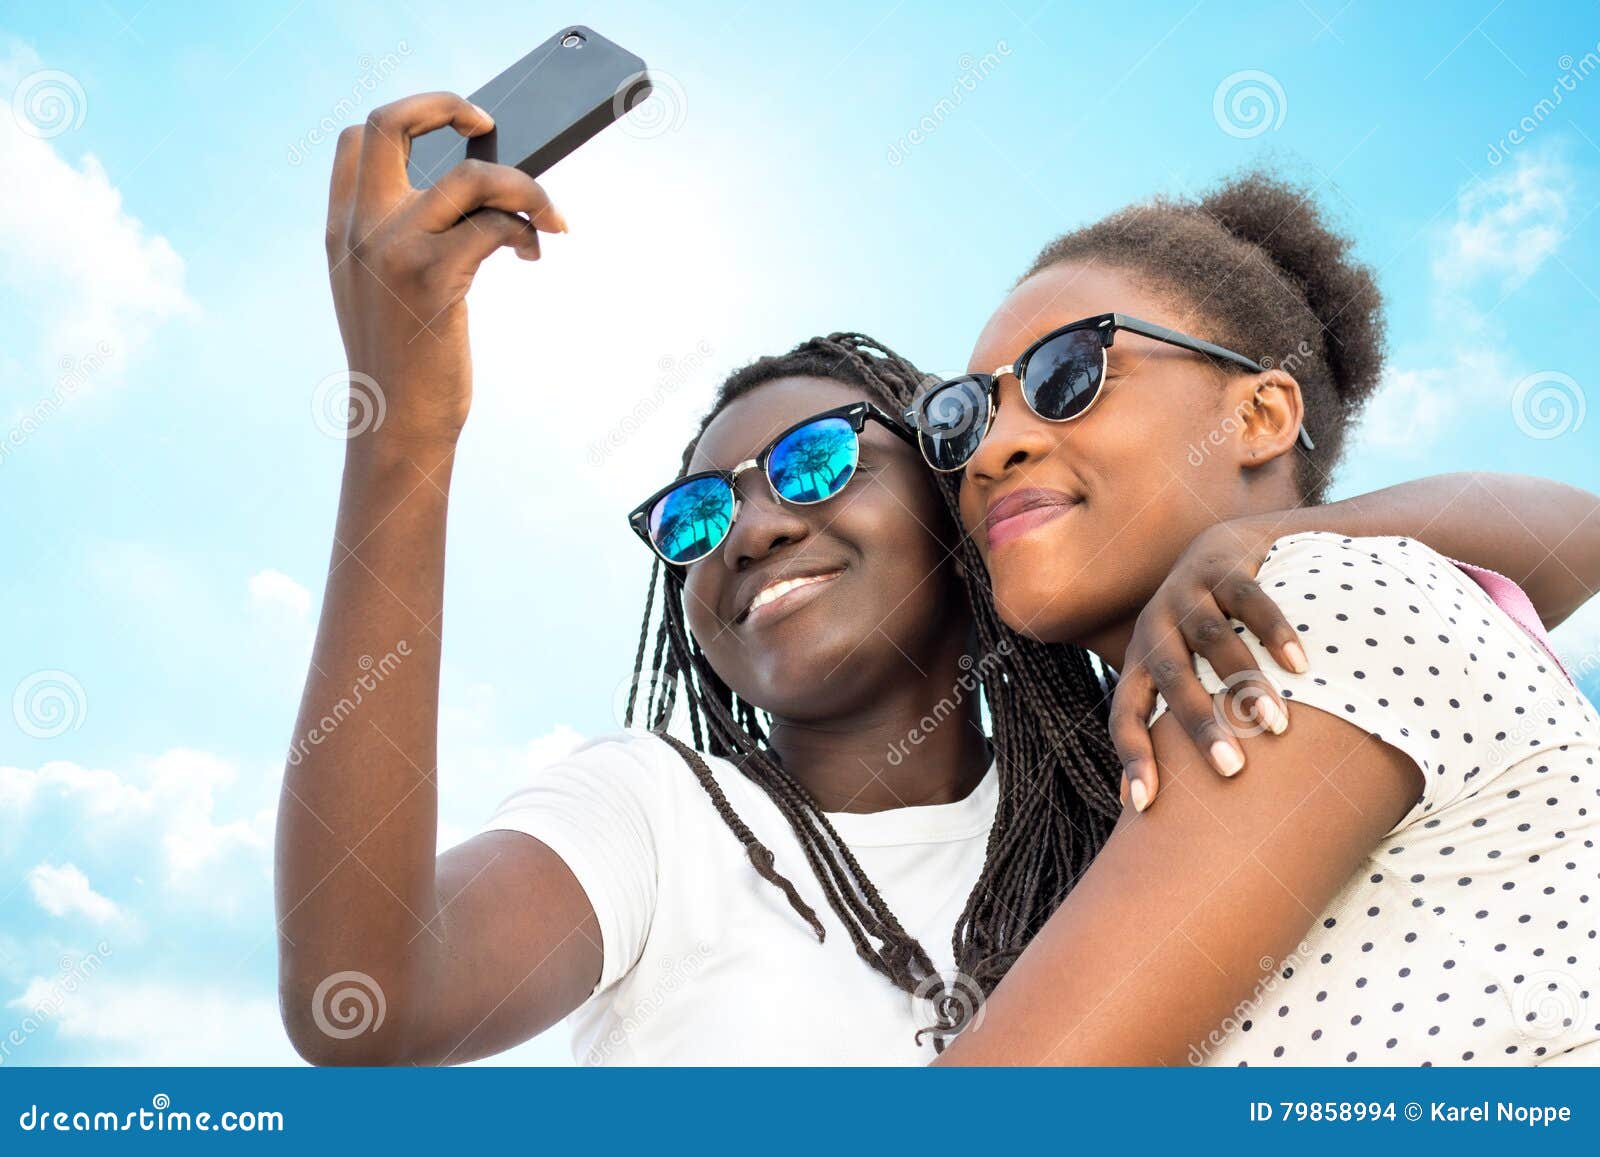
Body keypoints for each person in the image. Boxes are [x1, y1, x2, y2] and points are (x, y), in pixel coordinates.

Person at [281, 94, 1597, 1066]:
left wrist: (1276, 538)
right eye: (690, 514)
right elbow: (374, 994)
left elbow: (1549, 549)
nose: (746, 530)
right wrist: (400, 430)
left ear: (953, 519)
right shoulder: (659, 811)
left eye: (811, 463)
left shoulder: (1157, 750)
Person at [907, 170, 1600, 1066]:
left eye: (1066, 374)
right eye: (961, 419)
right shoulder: (1168, 732)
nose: (994, 450)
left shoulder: (1304, 611)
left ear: (1262, 414)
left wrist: (1276, 537)